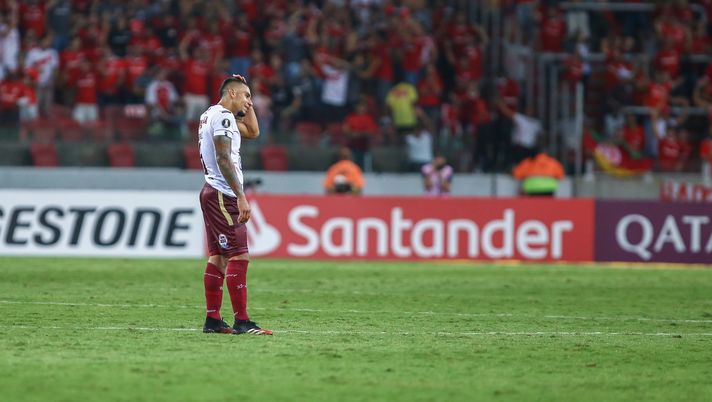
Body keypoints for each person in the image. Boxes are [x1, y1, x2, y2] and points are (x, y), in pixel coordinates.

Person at [197, 74, 272, 335]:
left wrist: (247, 103)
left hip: (211, 191)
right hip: (223, 193)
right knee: (239, 254)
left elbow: (253, 132)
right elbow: (224, 158)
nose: (249, 102)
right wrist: (240, 196)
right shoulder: (225, 117)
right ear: (231, 94)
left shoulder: (211, 114)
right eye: (246, 96)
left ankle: (213, 320)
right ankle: (242, 321)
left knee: (218, 257)